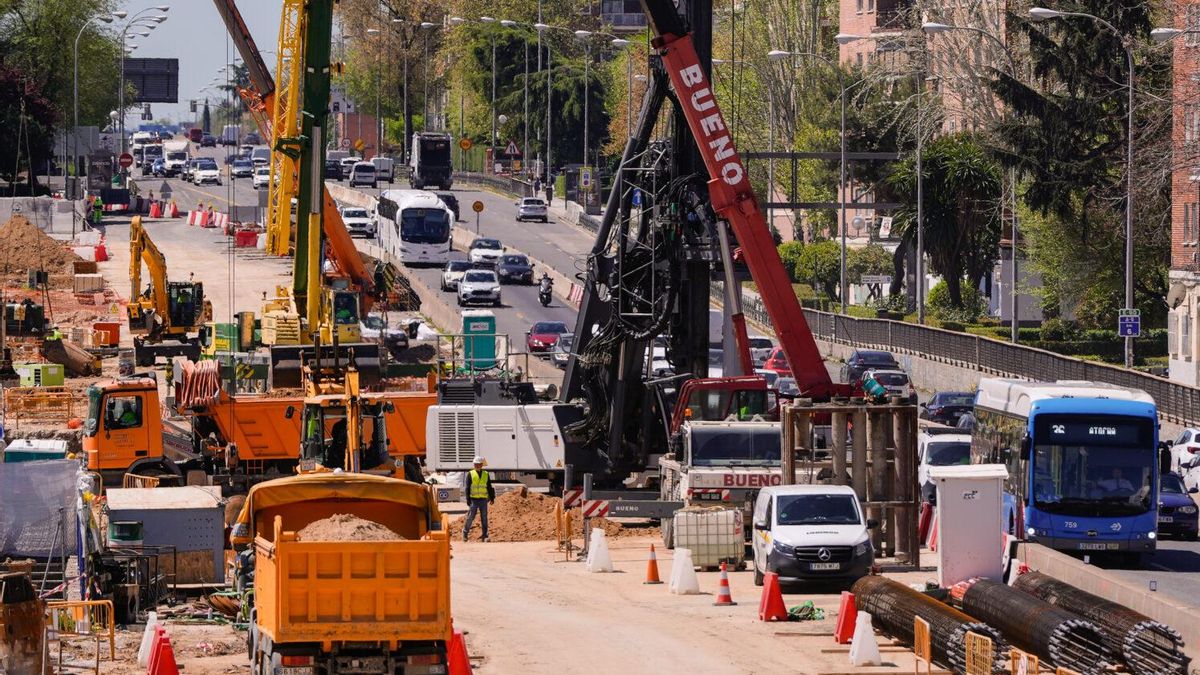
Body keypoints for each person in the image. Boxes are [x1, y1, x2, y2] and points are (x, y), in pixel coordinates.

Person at [462, 457, 495, 542]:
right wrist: (468, 499)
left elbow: (489, 487)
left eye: (478, 464)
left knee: (484, 518)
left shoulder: (486, 474)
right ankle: (465, 533)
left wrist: (492, 497)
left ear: (481, 465)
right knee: (470, 517)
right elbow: (467, 488)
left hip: (483, 500)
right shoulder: (471, 474)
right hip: (473, 500)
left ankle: (485, 535)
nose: (477, 465)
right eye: (475, 464)